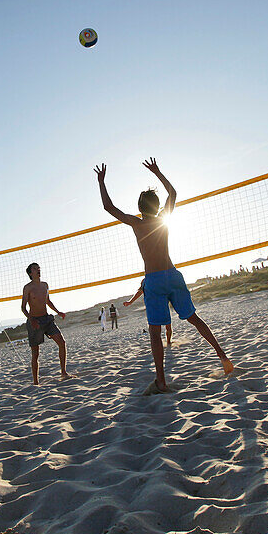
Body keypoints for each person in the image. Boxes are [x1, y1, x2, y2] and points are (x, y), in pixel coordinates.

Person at [95, 158, 234, 393]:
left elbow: (109, 208)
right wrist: (158, 172)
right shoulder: (163, 218)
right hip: (173, 275)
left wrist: (101, 182)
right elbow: (173, 192)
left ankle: (161, 380)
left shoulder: (137, 224)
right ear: (157, 206)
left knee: (155, 332)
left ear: (140, 208)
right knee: (194, 319)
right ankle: (223, 356)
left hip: (155, 280)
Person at [20, 263, 72, 385]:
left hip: (47, 319)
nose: (38, 270)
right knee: (35, 353)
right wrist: (31, 319)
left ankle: (63, 373)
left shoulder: (45, 285)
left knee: (62, 342)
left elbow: (47, 301)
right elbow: (23, 308)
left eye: (39, 268)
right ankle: (35, 382)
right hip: (35, 321)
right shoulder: (27, 288)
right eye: (35, 268)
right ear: (30, 273)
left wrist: (58, 312)